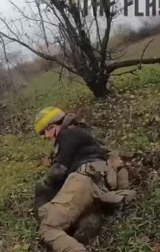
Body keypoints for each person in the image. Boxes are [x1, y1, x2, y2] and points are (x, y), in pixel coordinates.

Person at [34, 107, 136, 252]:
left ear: (52, 126)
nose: (46, 136)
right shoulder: (82, 132)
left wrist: (44, 185)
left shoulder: (68, 134)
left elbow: (58, 172)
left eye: (45, 132)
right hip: (99, 182)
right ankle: (90, 219)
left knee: (48, 227)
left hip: (83, 180)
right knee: (83, 221)